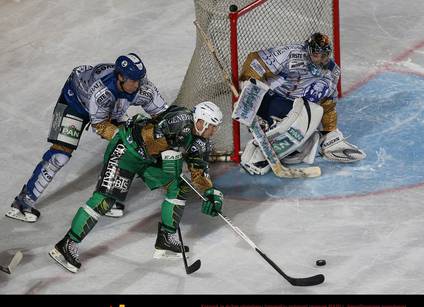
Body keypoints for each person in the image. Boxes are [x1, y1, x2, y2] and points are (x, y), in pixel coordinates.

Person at [49, 102, 224, 273]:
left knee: (179, 187)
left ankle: (166, 240)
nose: (214, 131)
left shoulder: (201, 141)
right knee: (105, 200)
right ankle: (67, 244)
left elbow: (199, 170)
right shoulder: (179, 119)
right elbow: (148, 138)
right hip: (126, 150)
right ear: (201, 121)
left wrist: (209, 192)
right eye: (213, 126)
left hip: (147, 160)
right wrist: (170, 156)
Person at [6, 53, 168, 222]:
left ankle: (106, 199)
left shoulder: (140, 87)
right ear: (120, 77)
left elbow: (163, 114)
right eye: (133, 81)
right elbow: (100, 126)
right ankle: (22, 203)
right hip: (74, 102)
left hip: (106, 108)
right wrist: (130, 137)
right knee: (60, 156)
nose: (137, 85)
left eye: (139, 80)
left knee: (124, 147)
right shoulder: (102, 91)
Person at [237, 32, 366, 175]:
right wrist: (249, 91)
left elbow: (328, 103)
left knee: (305, 140)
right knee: (294, 124)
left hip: (296, 106)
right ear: (308, 50)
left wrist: (329, 131)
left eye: (324, 55)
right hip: (270, 98)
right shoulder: (291, 54)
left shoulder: (332, 72)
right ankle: (257, 154)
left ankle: (284, 145)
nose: (320, 60)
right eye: (317, 55)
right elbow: (255, 60)